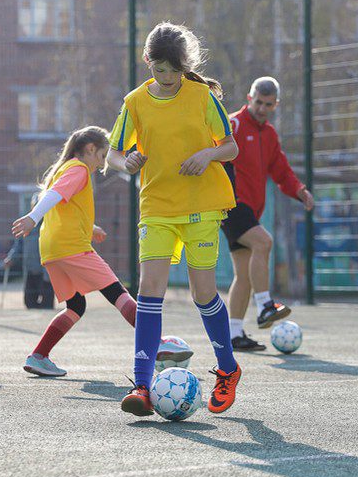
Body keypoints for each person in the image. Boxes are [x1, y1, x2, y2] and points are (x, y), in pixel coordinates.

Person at [106, 22, 242, 416]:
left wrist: (206, 155)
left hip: (202, 205)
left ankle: (228, 369)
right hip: (158, 207)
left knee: (203, 293)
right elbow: (115, 152)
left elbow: (229, 147)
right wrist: (125, 162)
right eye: (157, 69)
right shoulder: (134, 102)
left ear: (184, 66)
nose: (164, 78)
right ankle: (143, 386)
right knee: (150, 292)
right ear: (147, 61)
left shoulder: (202, 96)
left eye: (171, 70)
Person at [12, 126, 141, 377]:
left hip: (52, 250)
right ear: (91, 149)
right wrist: (32, 217)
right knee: (117, 292)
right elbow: (53, 196)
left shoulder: (63, 168)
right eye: (103, 156)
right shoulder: (80, 169)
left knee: (76, 306)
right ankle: (157, 345)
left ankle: (38, 356)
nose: (103, 164)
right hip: (71, 247)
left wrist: (89, 227)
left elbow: (63, 206)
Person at [222, 77, 314, 350]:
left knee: (244, 273)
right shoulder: (233, 124)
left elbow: (281, 170)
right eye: (258, 102)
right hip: (231, 203)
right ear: (249, 98)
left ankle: (234, 334)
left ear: (275, 105)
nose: (261, 108)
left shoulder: (270, 135)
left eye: (268, 104)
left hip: (251, 209)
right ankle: (264, 305)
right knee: (264, 242)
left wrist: (299, 190)